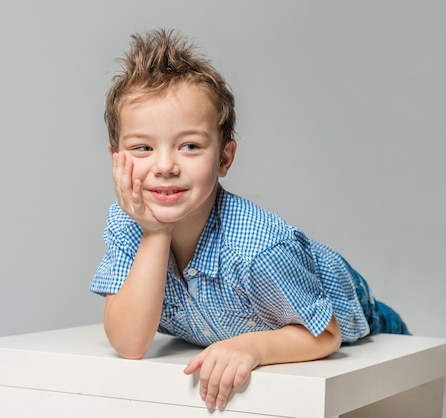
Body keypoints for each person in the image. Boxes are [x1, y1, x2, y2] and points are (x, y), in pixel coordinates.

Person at [90, 28, 409, 411]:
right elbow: (130, 343)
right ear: (116, 159)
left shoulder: (258, 247)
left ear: (224, 158)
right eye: (142, 148)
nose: (165, 166)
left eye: (189, 146)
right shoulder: (126, 226)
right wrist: (156, 233)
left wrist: (251, 347)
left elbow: (326, 334)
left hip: (348, 307)